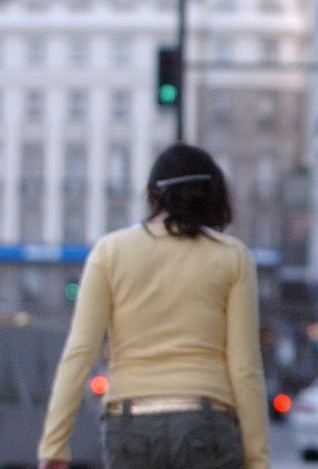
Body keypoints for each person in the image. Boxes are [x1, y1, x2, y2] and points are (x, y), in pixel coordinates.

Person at [38, 144, 269, 469]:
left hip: (131, 421)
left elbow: (80, 351)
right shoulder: (233, 257)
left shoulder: (109, 252)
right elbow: (245, 367)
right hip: (206, 420)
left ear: (152, 193)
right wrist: (258, 458)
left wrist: (54, 445)